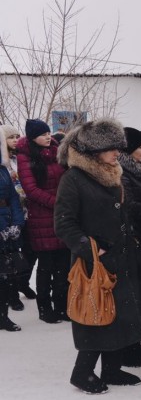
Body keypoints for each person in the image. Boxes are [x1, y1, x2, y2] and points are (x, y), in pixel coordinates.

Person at [54, 118, 141, 394]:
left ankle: (112, 369)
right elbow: (64, 223)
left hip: (121, 257)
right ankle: (82, 373)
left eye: (118, 147)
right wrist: (91, 248)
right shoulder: (73, 179)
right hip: (93, 262)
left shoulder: (111, 172)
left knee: (119, 315)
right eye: (111, 148)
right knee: (95, 316)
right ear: (93, 151)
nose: (117, 152)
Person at [16, 119, 70, 324]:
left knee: (63, 265)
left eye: (48, 133)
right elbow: (31, 190)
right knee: (46, 266)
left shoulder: (57, 151)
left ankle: (62, 306)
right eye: (43, 134)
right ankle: (45, 308)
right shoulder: (25, 156)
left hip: (62, 215)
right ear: (32, 138)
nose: (48, 137)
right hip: (41, 217)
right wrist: (58, 203)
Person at [117, 127, 141, 367]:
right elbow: (129, 207)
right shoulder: (122, 172)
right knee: (134, 296)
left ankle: (135, 341)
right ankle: (126, 346)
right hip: (133, 240)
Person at [1, 124, 36, 309]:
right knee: (10, 255)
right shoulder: (4, 163)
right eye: (10, 137)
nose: (15, 140)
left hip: (25, 210)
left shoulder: (19, 158)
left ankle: (23, 282)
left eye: (17, 136)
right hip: (9, 212)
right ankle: (11, 292)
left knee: (29, 251)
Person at [0, 126, 24, 332]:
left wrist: (16, 223)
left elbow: (14, 198)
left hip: (7, 221)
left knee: (6, 275)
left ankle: (3, 317)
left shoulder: (3, 169)